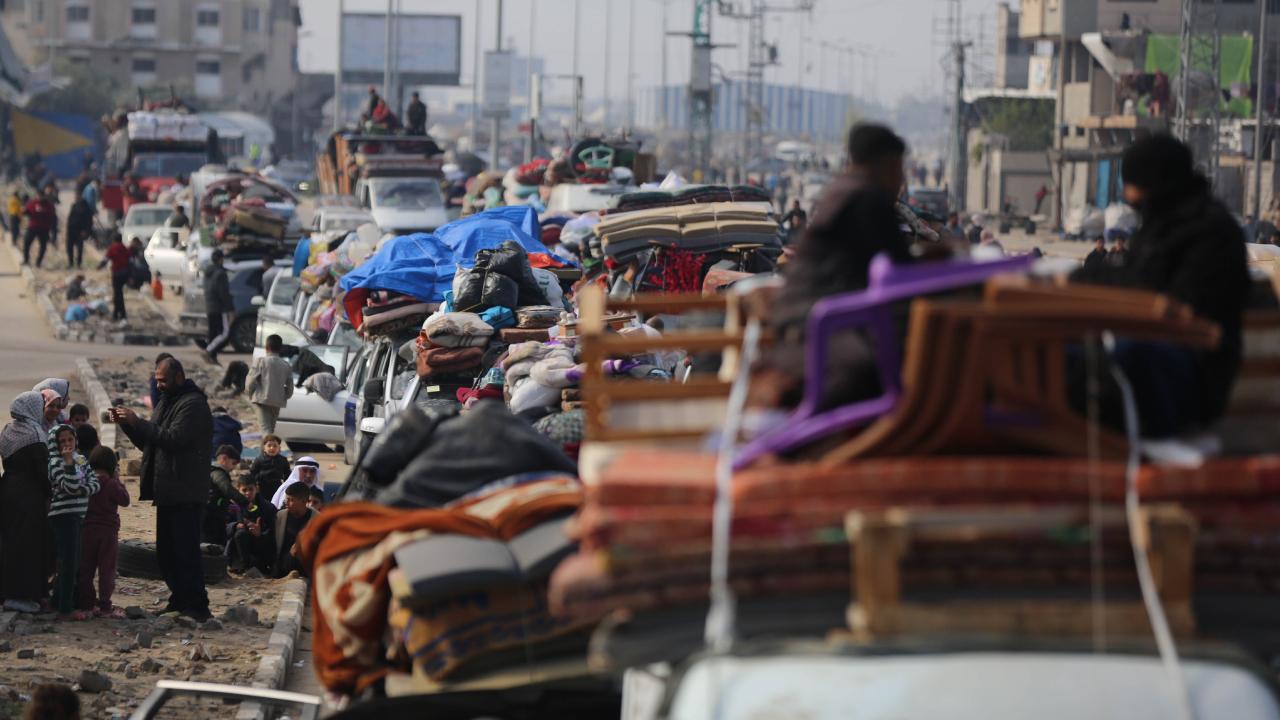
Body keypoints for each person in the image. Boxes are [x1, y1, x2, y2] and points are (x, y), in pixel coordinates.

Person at [1072, 134, 1249, 437]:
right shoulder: (1164, 224)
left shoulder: (1210, 232)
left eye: (1131, 186)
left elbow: (1151, 290)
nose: (1129, 197)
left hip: (1189, 376)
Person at [112, 357, 214, 621]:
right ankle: (179, 599)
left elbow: (173, 439)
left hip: (186, 491)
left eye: (163, 380)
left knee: (186, 551)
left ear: (179, 377)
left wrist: (139, 422)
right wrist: (128, 424)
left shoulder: (193, 404)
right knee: (167, 552)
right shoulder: (168, 402)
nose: (159, 385)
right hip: (168, 490)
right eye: (156, 380)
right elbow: (151, 442)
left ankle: (197, 606)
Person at [1, 392, 55, 614]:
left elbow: (7, 462)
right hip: (29, 497)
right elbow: (44, 473)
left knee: (9, 544)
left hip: (8, 491)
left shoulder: (7, 431)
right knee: (29, 546)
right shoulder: (34, 434)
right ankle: (25, 596)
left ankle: (8, 593)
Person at [46, 423, 99, 621]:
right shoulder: (54, 462)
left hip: (78, 515)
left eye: (70, 440)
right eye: (62, 442)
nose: (67, 444)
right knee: (68, 563)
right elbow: (69, 485)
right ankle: (65, 609)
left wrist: (81, 489)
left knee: (74, 562)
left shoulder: (81, 459)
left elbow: (94, 483)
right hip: (63, 517)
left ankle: (57, 601)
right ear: (55, 445)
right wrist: (68, 463)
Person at [78, 446, 128, 618]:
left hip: (87, 531)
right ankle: (105, 605)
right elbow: (125, 501)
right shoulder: (111, 484)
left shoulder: (86, 482)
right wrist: (118, 480)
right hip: (108, 533)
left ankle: (87, 604)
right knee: (107, 570)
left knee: (86, 568)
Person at [226, 474, 276, 575]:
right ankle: (243, 566)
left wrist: (260, 533)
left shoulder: (268, 507)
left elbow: (274, 532)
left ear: (256, 489)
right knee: (240, 534)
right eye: (244, 490)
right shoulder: (232, 507)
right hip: (238, 550)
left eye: (251, 489)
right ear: (238, 490)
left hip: (260, 548)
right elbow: (223, 526)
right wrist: (235, 526)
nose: (248, 493)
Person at [246, 334, 293, 434]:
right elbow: (290, 389)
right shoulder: (286, 365)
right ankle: (270, 448)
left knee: (266, 430)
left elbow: (250, 382)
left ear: (266, 347)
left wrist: (250, 394)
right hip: (277, 402)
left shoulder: (260, 361)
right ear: (280, 349)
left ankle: (268, 449)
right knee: (271, 428)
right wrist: (284, 396)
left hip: (261, 400)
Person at [270, 481, 317, 578]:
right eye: (286, 499)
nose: (286, 502)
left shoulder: (317, 519)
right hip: (282, 568)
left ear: (304, 501)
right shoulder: (280, 516)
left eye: (291, 500)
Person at [205, 444, 246, 546]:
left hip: (212, 512)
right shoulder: (218, 473)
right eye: (233, 463)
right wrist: (245, 502)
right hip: (212, 515)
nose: (233, 468)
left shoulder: (210, 471)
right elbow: (227, 489)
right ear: (224, 459)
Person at [202, 249, 235, 364]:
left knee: (213, 333)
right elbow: (224, 294)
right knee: (224, 333)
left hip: (209, 306)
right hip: (219, 308)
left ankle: (212, 357)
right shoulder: (221, 274)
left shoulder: (207, 273)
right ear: (221, 259)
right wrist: (230, 309)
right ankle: (208, 351)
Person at [99, 233, 131, 323]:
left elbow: (106, 259)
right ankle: (120, 313)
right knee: (119, 293)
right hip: (125, 273)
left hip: (117, 273)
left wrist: (99, 267)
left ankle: (118, 314)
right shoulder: (124, 248)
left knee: (117, 294)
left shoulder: (113, 248)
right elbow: (129, 259)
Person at [248, 434, 290, 502]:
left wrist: (287, 486)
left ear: (279, 448)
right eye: (269, 445)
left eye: (275, 446)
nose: (272, 448)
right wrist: (255, 484)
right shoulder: (259, 459)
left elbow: (287, 474)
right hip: (262, 486)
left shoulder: (283, 460)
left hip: (277, 486)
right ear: (264, 448)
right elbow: (252, 473)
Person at [22, 188, 55, 268]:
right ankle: (26, 260)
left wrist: (44, 212)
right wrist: (24, 211)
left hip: (44, 228)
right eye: (38, 196)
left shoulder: (49, 205)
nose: (39, 197)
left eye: (41, 196)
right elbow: (27, 212)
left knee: (43, 246)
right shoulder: (32, 203)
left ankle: (38, 262)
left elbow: (52, 216)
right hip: (33, 226)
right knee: (26, 243)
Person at [64, 196, 92, 269]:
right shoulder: (74, 206)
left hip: (80, 231)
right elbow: (70, 218)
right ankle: (71, 263)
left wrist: (86, 231)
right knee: (70, 247)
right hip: (72, 230)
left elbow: (88, 222)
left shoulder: (86, 209)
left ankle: (77, 264)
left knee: (79, 248)